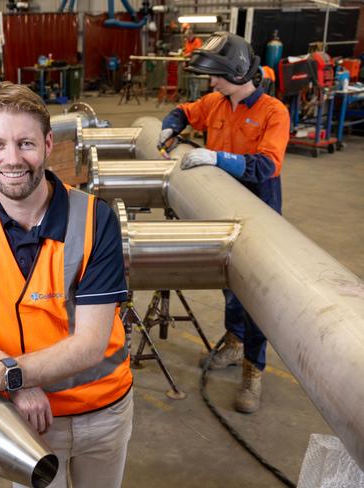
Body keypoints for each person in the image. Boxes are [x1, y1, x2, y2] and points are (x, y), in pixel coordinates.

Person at [0, 82, 133, 488]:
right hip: (23, 418)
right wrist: (14, 380)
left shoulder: (94, 220)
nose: (12, 160)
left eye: (25, 143)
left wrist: (3, 377)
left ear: (48, 143)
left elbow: (90, 344)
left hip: (100, 412)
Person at [159, 32, 290, 414]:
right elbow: (183, 112)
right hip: (220, 208)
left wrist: (217, 159)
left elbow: (267, 166)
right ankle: (234, 343)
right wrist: (170, 127)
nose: (210, 83)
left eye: (215, 76)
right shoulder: (216, 103)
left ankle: (254, 369)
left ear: (236, 72)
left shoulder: (272, 112)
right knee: (229, 285)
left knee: (256, 296)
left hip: (258, 211)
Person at [183, 28, 203, 101]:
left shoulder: (198, 41)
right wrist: (184, 61)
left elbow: (198, 51)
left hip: (196, 64)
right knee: (191, 81)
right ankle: (192, 97)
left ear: (191, 35)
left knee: (195, 81)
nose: (186, 38)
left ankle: (195, 97)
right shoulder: (187, 41)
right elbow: (185, 51)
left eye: (187, 36)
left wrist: (190, 54)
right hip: (190, 64)